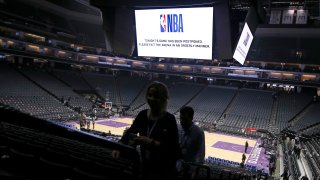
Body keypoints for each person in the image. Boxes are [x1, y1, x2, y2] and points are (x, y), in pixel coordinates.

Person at [112, 81, 181, 180]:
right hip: (145, 164)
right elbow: (131, 132)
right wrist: (119, 146)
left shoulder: (169, 119)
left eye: (156, 96)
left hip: (163, 168)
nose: (151, 99)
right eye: (149, 95)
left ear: (163, 99)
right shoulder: (142, 115)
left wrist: (150, 142)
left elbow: (173, 149)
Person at [178, 106, 205, 180]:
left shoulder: (198, 132)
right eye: (180, 118)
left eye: (185, 119)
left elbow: (200, 154)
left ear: (191, 118)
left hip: (189, 170)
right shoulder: (178, 128)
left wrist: (195, 172)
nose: (182, 121)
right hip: (177, 167)